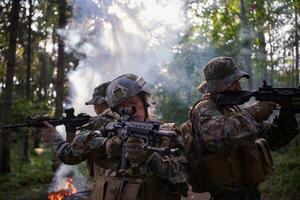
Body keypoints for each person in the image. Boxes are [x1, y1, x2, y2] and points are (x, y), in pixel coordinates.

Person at [43, 74, 188, 200]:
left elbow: (181, 180)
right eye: (122, 107)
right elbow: (70, 155)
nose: (128, 111)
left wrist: (150, 157)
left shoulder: (167, 134)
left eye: (132, 104)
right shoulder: (107, 129)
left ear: (145, 102)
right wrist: (105, 145)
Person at [186, 57, 299, 200]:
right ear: (218, 85)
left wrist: (287, 113)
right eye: (233, 83)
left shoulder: (233, 110)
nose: (238, 87)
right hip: (227, 195)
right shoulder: (204, 108)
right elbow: (218, 137)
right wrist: (256, 112)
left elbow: (271, 139)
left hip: (249, 191)